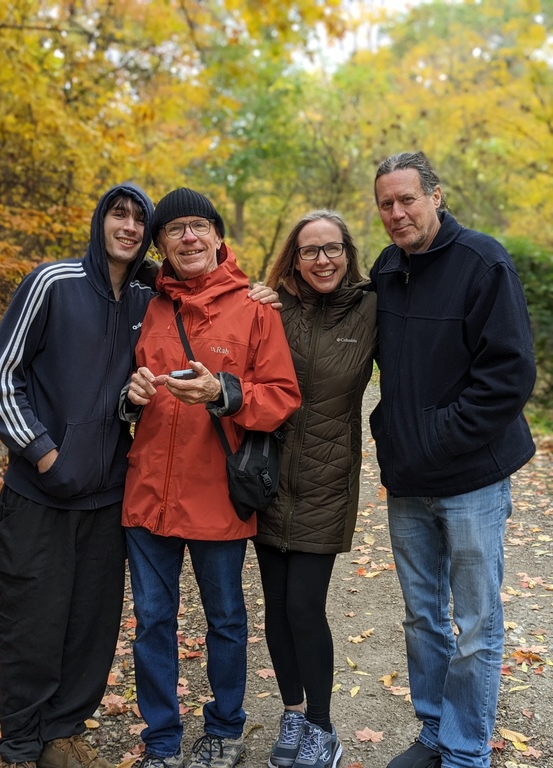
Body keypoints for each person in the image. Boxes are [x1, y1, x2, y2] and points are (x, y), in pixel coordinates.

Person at [119, 188, 301, 768]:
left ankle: (224, 729)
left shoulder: (255, 306)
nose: (189, 238)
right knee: (152, 621)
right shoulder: (147, 305)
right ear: (162, 246)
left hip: (217, 495)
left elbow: (281, 397)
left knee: (224, 619)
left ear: (219, 236)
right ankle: (162, 740)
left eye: (199, 226)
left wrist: (224, 392)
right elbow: (127, 391)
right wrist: (133, 395)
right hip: (149, 495)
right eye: (174, 231)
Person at [0, 183, 156, 768]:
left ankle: (62, 735)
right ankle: (22, 746)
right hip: (40, 496)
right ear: (101, 220)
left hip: (107, 500)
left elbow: (205, 277)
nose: (128, 226)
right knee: (32, 625)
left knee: (91, 629)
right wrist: (45, 453)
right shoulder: (53, 282)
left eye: (138, 219)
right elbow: (2, 380)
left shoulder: (144, 298)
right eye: (118, 214)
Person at [370, 152, 536, 768]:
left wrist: (438, 436)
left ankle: (467, 752)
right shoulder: (388, 269)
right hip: (409, 480)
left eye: (407, 199)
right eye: (386, 203)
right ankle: (436, 732)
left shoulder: (482, 261)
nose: (396, 213)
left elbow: (510, 374)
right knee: (422, 618)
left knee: (475, 623)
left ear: (435, 196)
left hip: (470, 479)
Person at [252, 210, 378, 768]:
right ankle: (292, 712)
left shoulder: (374, 307)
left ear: (348, 253)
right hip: (268, 477)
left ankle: (323, 727)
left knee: (304, 606)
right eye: (310, 251)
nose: (322, 260)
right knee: (275, 609)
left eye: (332, 249)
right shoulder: (273, 308)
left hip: (326, 481)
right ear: (295, 258)